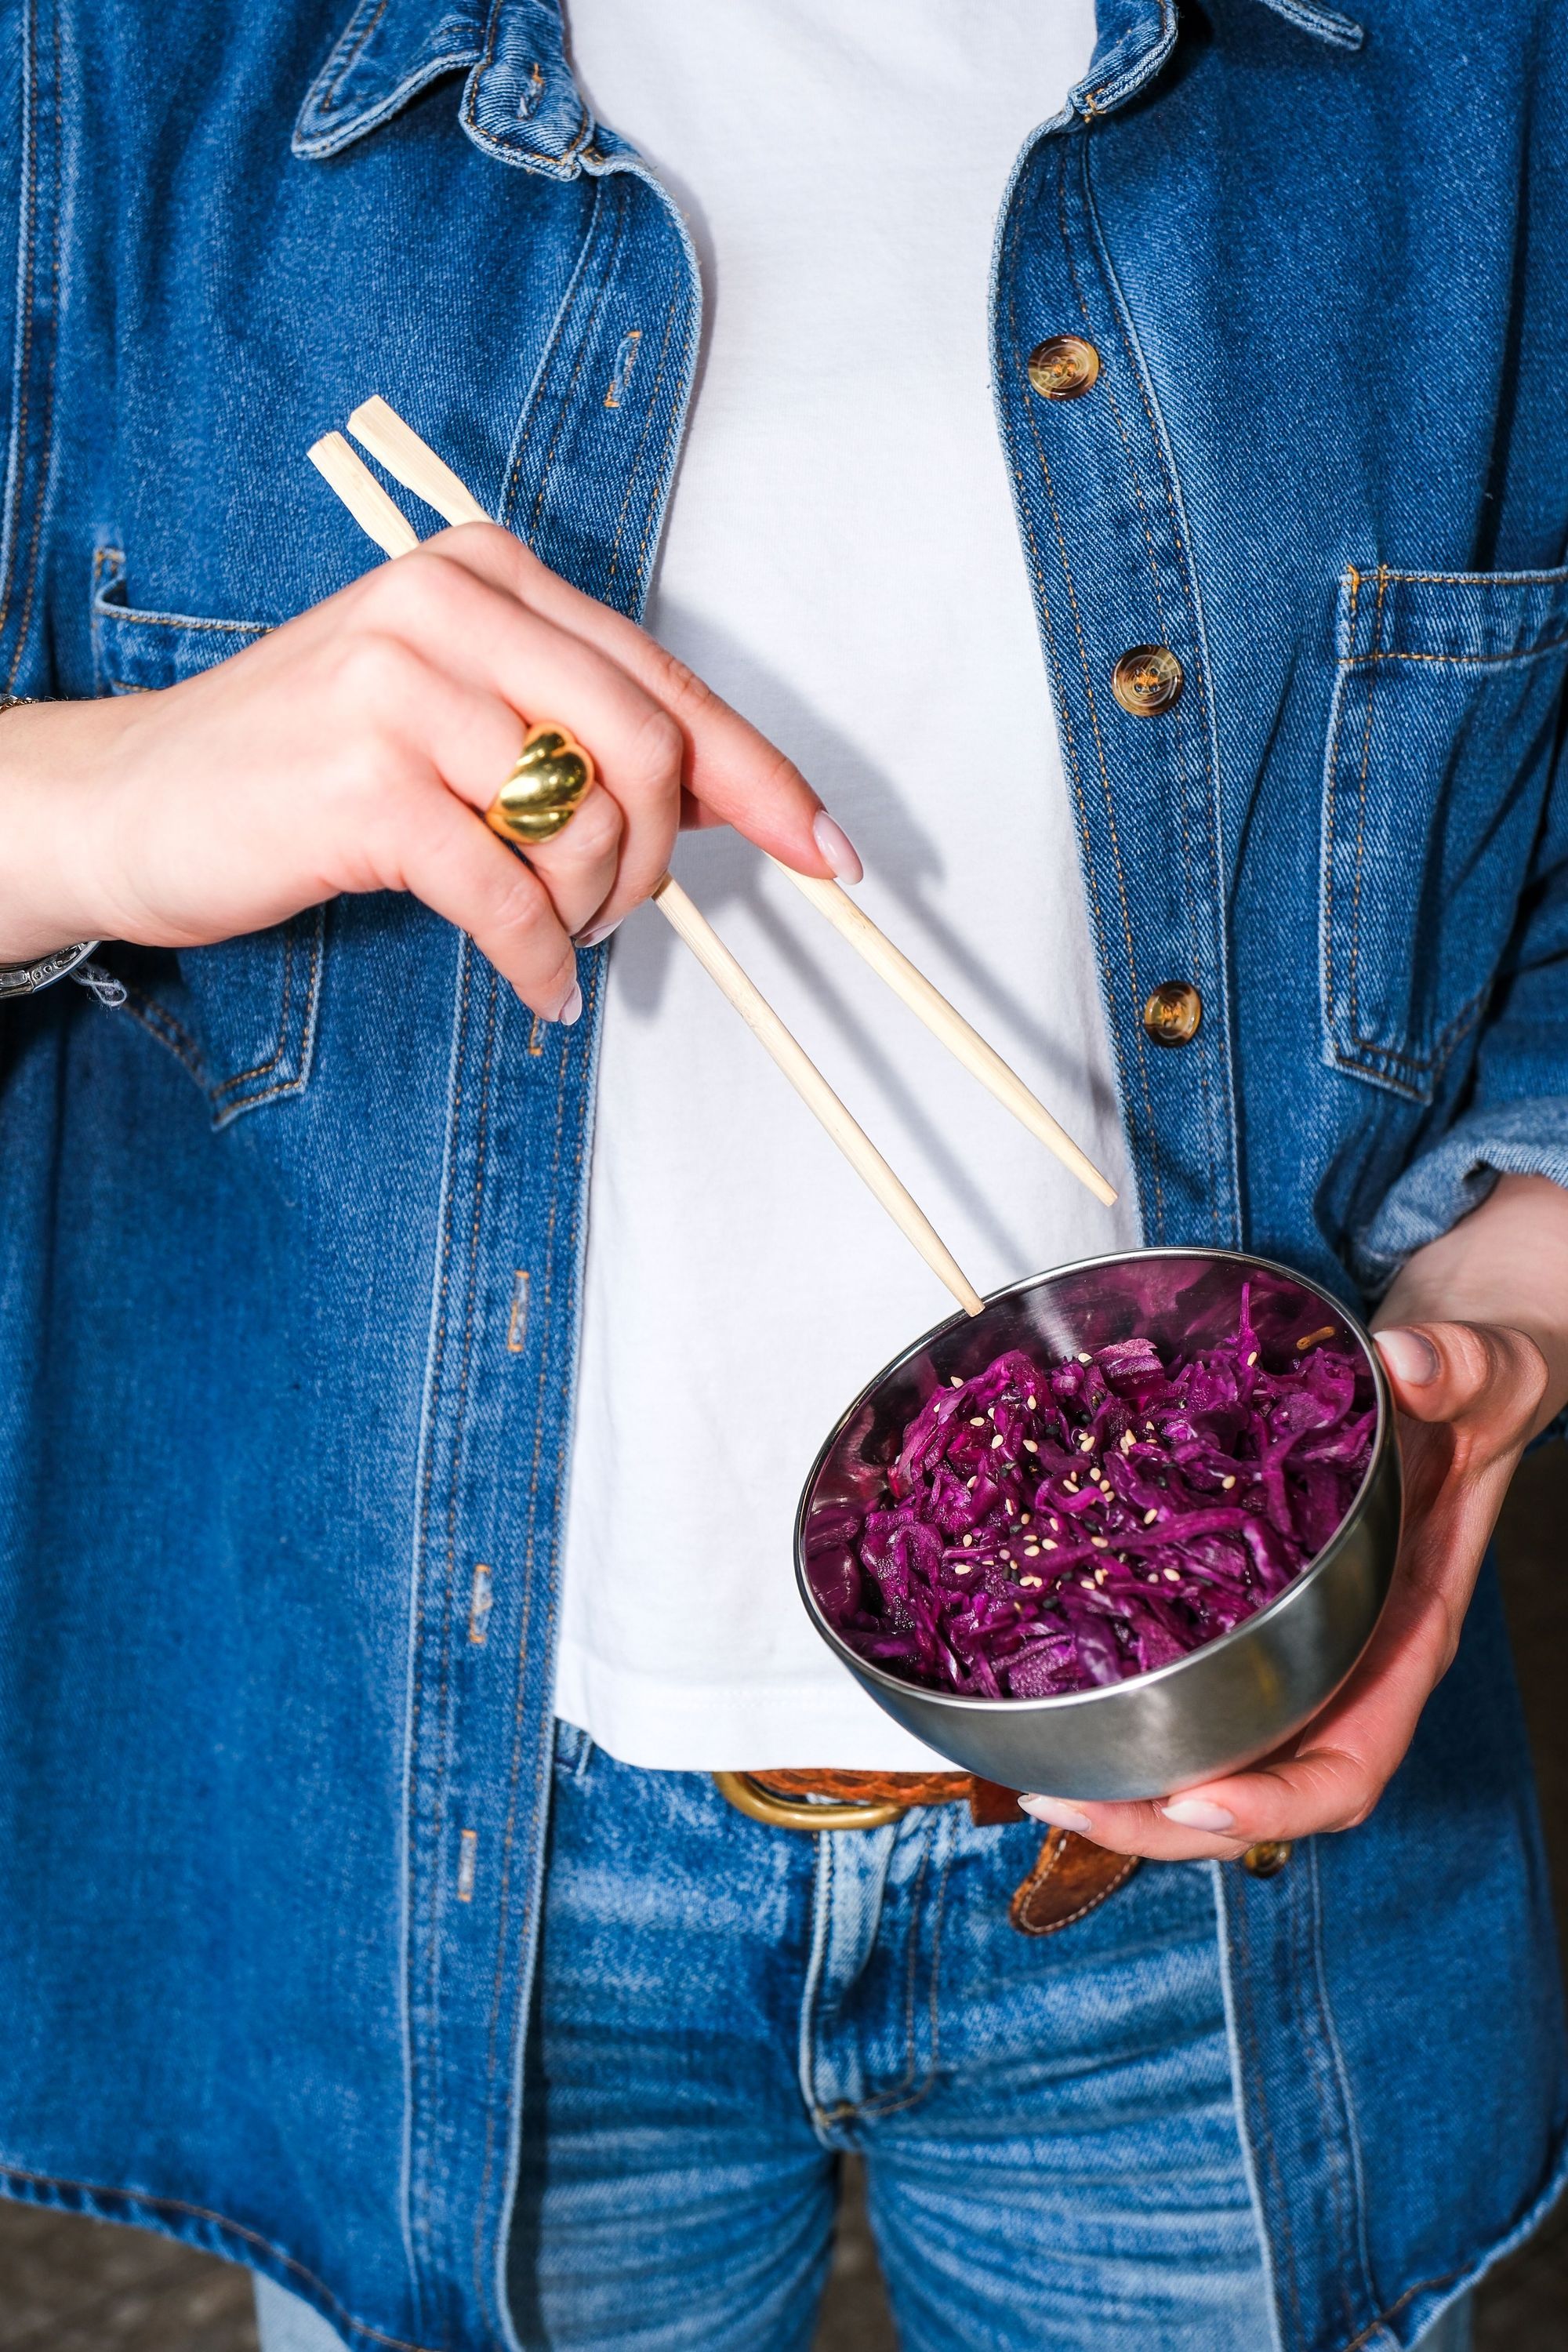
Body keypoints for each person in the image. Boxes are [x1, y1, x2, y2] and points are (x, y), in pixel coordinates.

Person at [1, 1, 1565, 2347]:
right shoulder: (113, 59)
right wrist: (103, 801)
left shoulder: (1475, 67)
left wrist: (1514, 1322)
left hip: (1234, 1842)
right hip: (434, 1870)